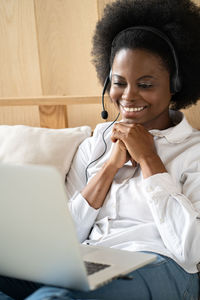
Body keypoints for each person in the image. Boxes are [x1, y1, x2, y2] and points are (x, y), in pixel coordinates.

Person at [1, 0, 200, 299]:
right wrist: (108, 167)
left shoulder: (194, 150)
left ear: (175, 83)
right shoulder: (95, 144)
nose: (128, 96)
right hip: (90, 258)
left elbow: (191, 250)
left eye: (145, 84)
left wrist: (149, 159)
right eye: (119, 82)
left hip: (161, 264)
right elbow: (65, 238)